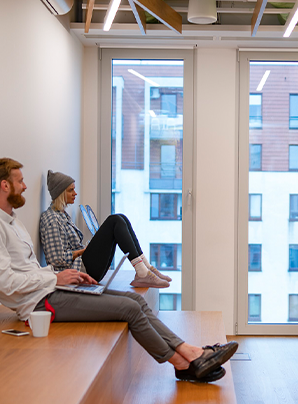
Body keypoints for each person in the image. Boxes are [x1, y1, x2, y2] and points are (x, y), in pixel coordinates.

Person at [0, 158, 238, 383]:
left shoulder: (14, 222)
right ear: (4, 185)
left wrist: (57, 278)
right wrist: (54, 279)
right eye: (20, 181)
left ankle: (191, 352)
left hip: (52, 288)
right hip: (39, 303)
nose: (25, 186)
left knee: (136, 299)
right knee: (129, 309)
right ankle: (184, 363)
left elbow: (29, 270)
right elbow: (6, 284)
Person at [40, 170, 169, 289]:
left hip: (85, 267)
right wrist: (83, 251)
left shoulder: (62, 215)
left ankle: (146, 268)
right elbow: (56, 258)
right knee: (114, 220)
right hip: (80, 270)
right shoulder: (51, 219)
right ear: (61, 193)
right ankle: (142, 272)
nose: (75, 193)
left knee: (121, 217)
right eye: (71, 190)